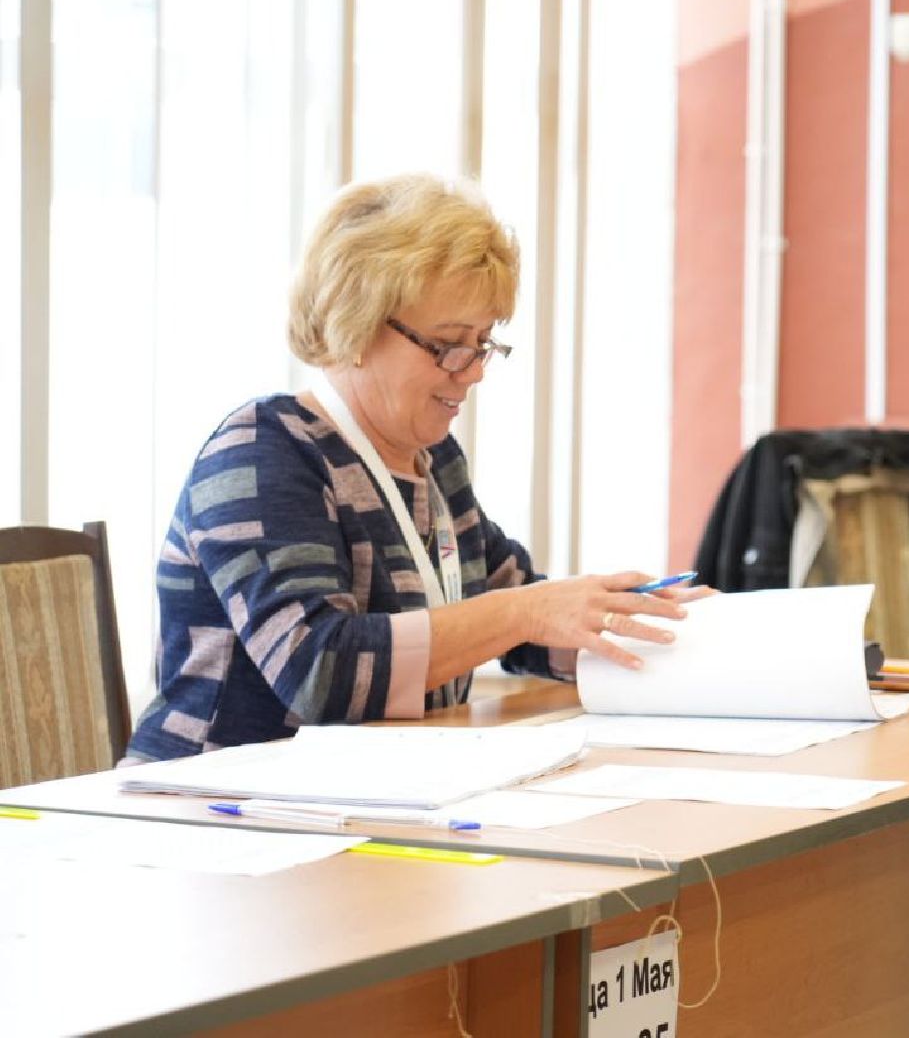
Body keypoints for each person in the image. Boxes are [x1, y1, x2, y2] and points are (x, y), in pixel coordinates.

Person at [126, 174, 695, 761]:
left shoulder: (435, 462)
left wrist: (667, 631)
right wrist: (525, 611)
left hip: (372, 791)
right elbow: (318, 670)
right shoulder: (262, 452)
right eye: (449, 344)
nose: (472, 371)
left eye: (484, 343)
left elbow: (525, 611)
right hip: (215, 808)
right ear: (356, 325)